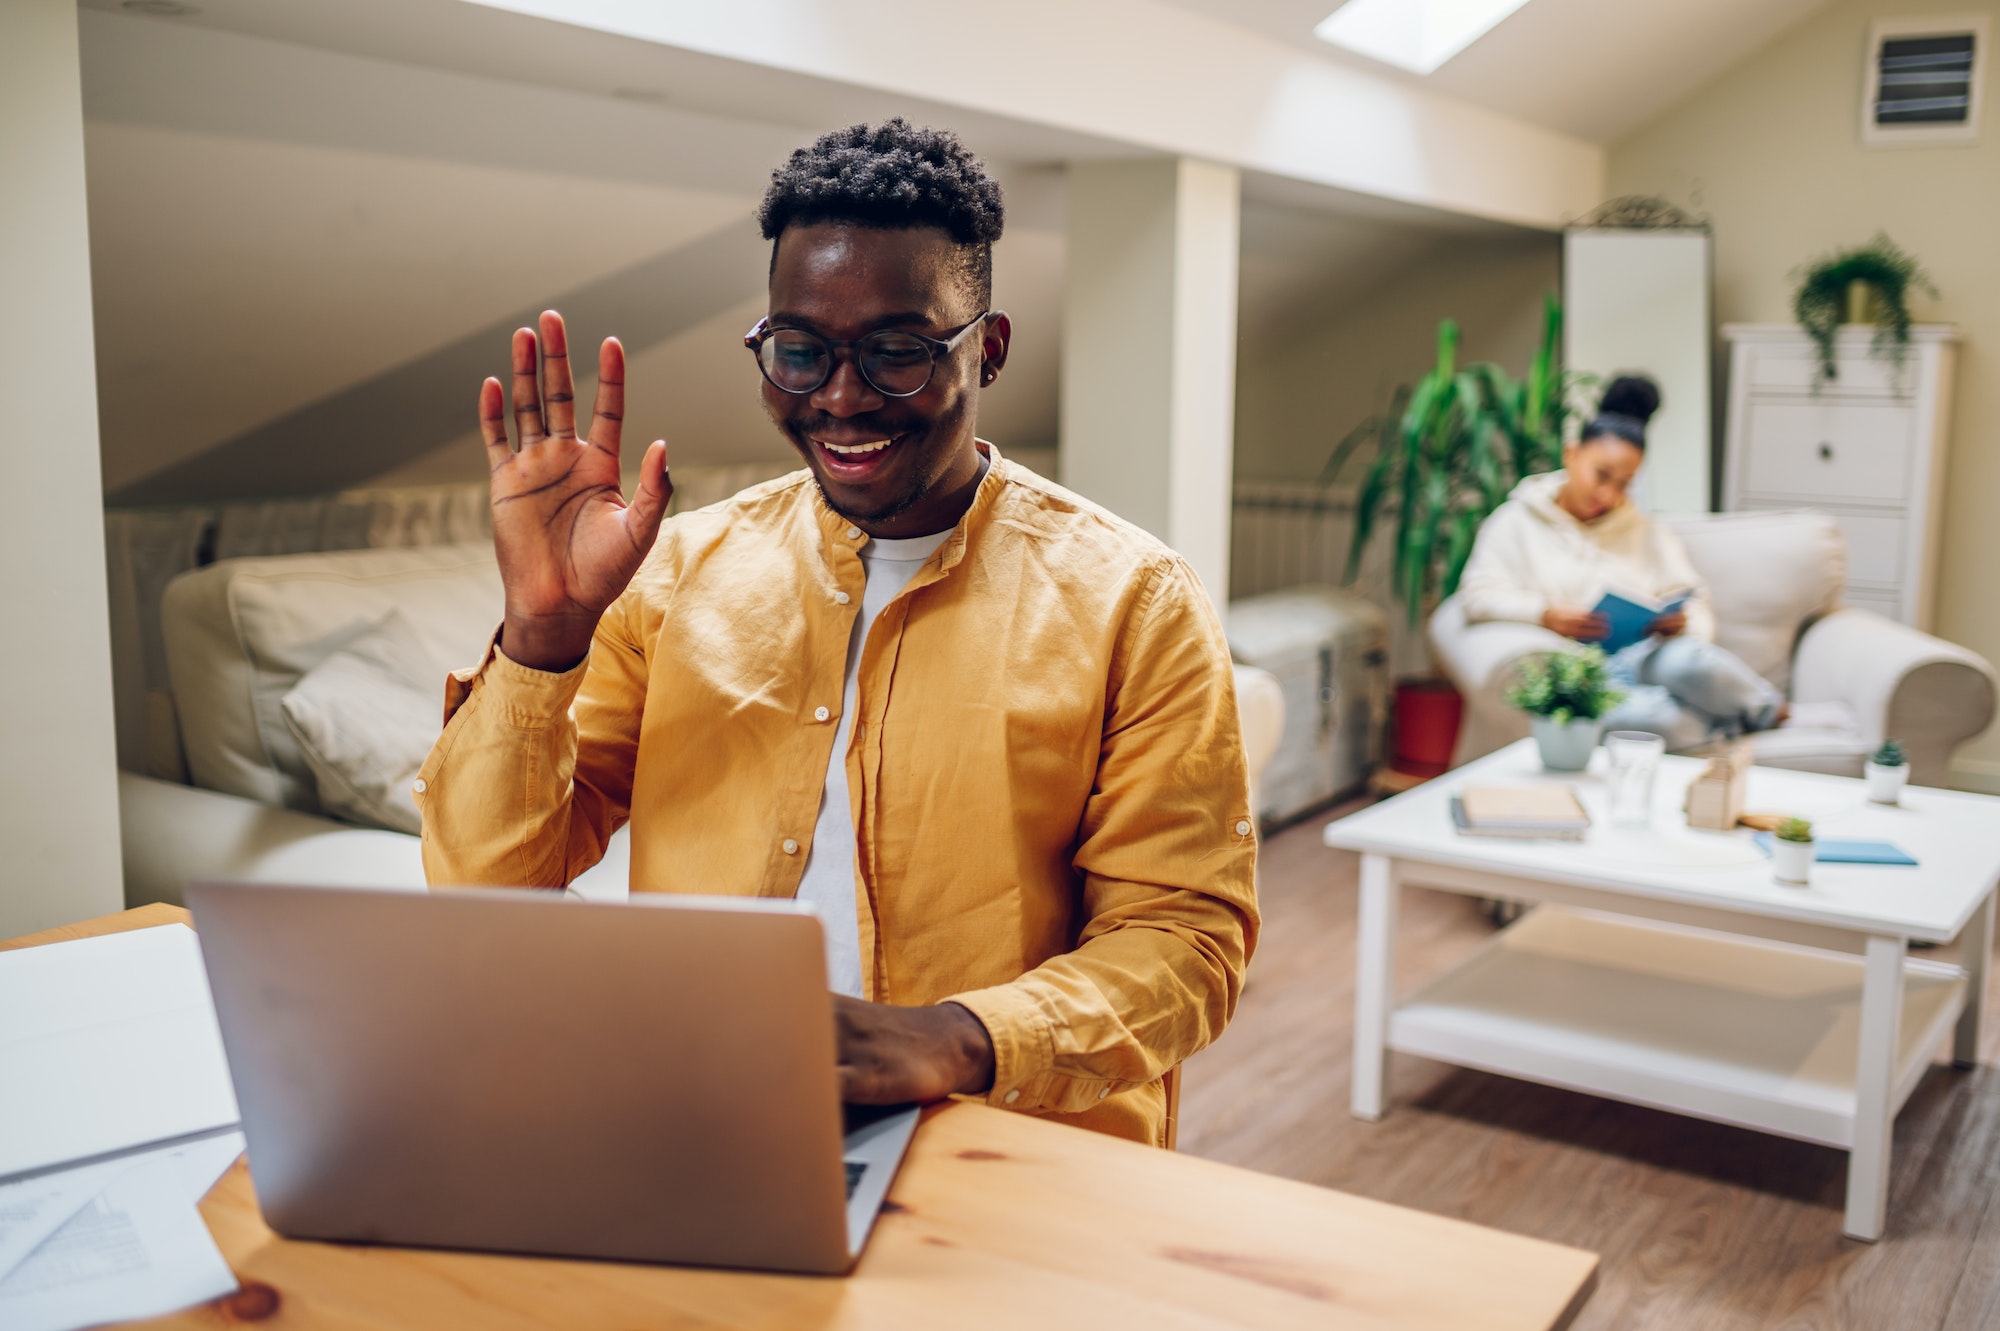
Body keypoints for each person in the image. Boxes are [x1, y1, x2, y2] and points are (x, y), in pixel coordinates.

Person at [415, 119, 1258, 1147]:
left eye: (898, 350)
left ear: (986, 349)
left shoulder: (1135, 599)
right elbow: (485, 888)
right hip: (701, 1112)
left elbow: (1184, 939)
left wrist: (950, 1039)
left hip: (1003, 1134)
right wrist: (541, 637)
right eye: (801, 351)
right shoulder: (672, 578)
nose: (842, 397)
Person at [1457, 374, 1784, 751]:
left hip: (1654, 656)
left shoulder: (1645, 529)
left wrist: (1682, 625)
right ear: (1571, 454)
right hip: (1589, 670)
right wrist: (1544, 614)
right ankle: (1727, 725)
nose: (1609, 495)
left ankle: (1769, 709)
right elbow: (1476, 596)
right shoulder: (1515, 522)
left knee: (1696, 662)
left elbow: (1695, 601)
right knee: (1658, 721)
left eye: (1625, 483)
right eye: (1602, 475)